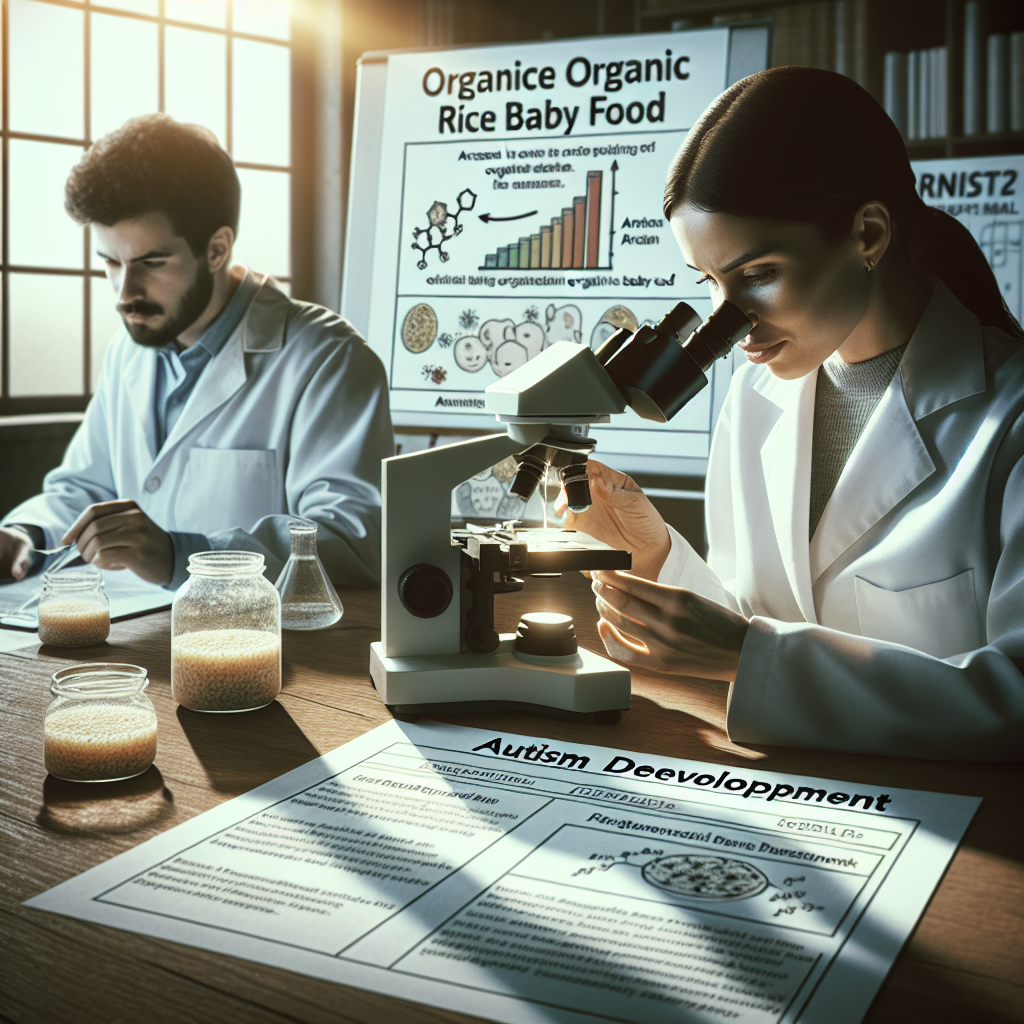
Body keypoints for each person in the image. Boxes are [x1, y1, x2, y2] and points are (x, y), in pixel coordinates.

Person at [558, 68, 1024, 761]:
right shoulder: (757, 394)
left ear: (867, 234)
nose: (736, 328)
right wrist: (655, 555)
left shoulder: (1008, 418)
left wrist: (752, 654)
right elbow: (755, 622)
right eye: (712, 286)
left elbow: (1014, 700)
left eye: (759, 274)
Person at [1, 114, 393, 589]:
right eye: (109, 261)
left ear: (216, 249)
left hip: (263, 649)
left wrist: (180, 556)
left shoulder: (328, 359)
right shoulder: (128, 351)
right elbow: (85, 489)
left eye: (151, 262)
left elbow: (347, 540)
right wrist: (25, 534)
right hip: (138, 638)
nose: (125, 291)